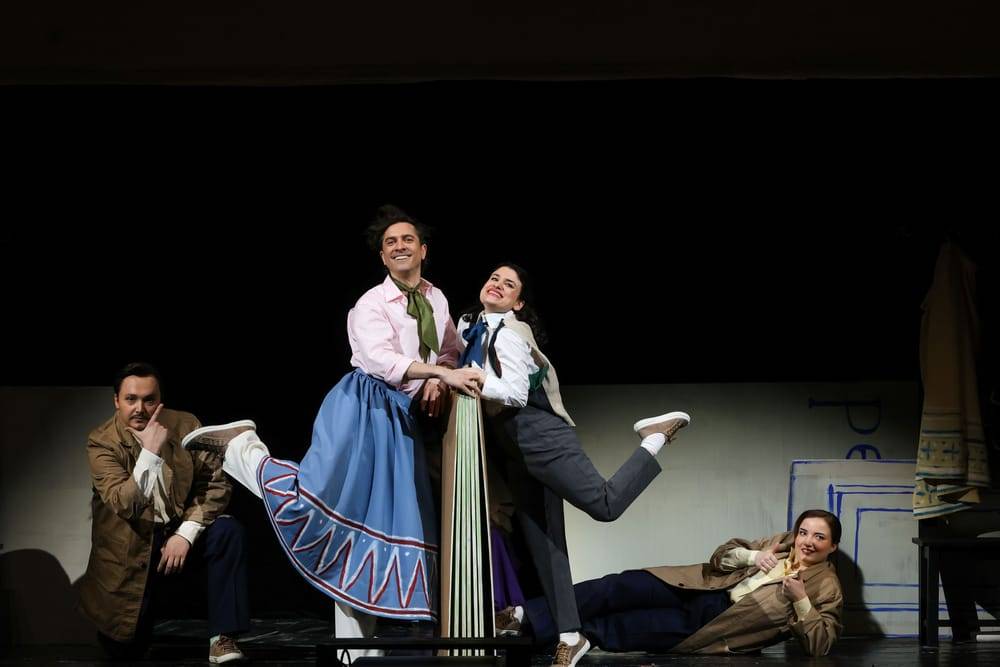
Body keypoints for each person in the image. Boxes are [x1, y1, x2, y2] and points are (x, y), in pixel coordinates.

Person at [180, 206, 482, 658]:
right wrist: (436, 374)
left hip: (400, 421)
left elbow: (451, 352)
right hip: (362, 407)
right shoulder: (370, 304)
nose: (399, 246)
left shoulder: (436, 300)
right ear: (383, 258)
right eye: (390, 243)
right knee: (323, 507)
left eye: (407, 240)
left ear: (423, 249)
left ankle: (356, 652)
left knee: (369, 532)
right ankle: (244, 449)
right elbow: (382, 361)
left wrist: (442, 375)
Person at [455, 263, 691, 665]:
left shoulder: (511, 334)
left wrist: (461, 378)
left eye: (508, 284)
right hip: (511, 446)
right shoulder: (470, 325)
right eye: (494, 278)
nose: (497, 286)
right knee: (544, 543)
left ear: (519, 301)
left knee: (604, 504)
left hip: (540, 434)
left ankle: (655, 435)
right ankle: (570, 634)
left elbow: (512, 393)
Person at [499, 509, 844, 664]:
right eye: (804, 532)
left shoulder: (826, 585)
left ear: (832, 547)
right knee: (616, 587)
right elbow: (720, 557)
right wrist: (753, 556)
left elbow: (820, 646)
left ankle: (529, 638)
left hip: (716, 623)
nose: (807, 541)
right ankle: (524, 615)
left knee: (621, 628)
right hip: (699, 585)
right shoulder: (780, 543)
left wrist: (801, 602)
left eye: (819, 537)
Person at [77, 362, 249, 663]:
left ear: (160, 400)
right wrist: (150, 453)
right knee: (123, 648)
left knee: (227, 531)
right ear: (117, 401)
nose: (140, 408)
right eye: (131, 399)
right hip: (131, 549)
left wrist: (185, 533)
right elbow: (123, 503)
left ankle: (222, 638)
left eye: (149, 399)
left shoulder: (186, 425)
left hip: (178, 535)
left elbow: (214, 483)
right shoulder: (101, 441)